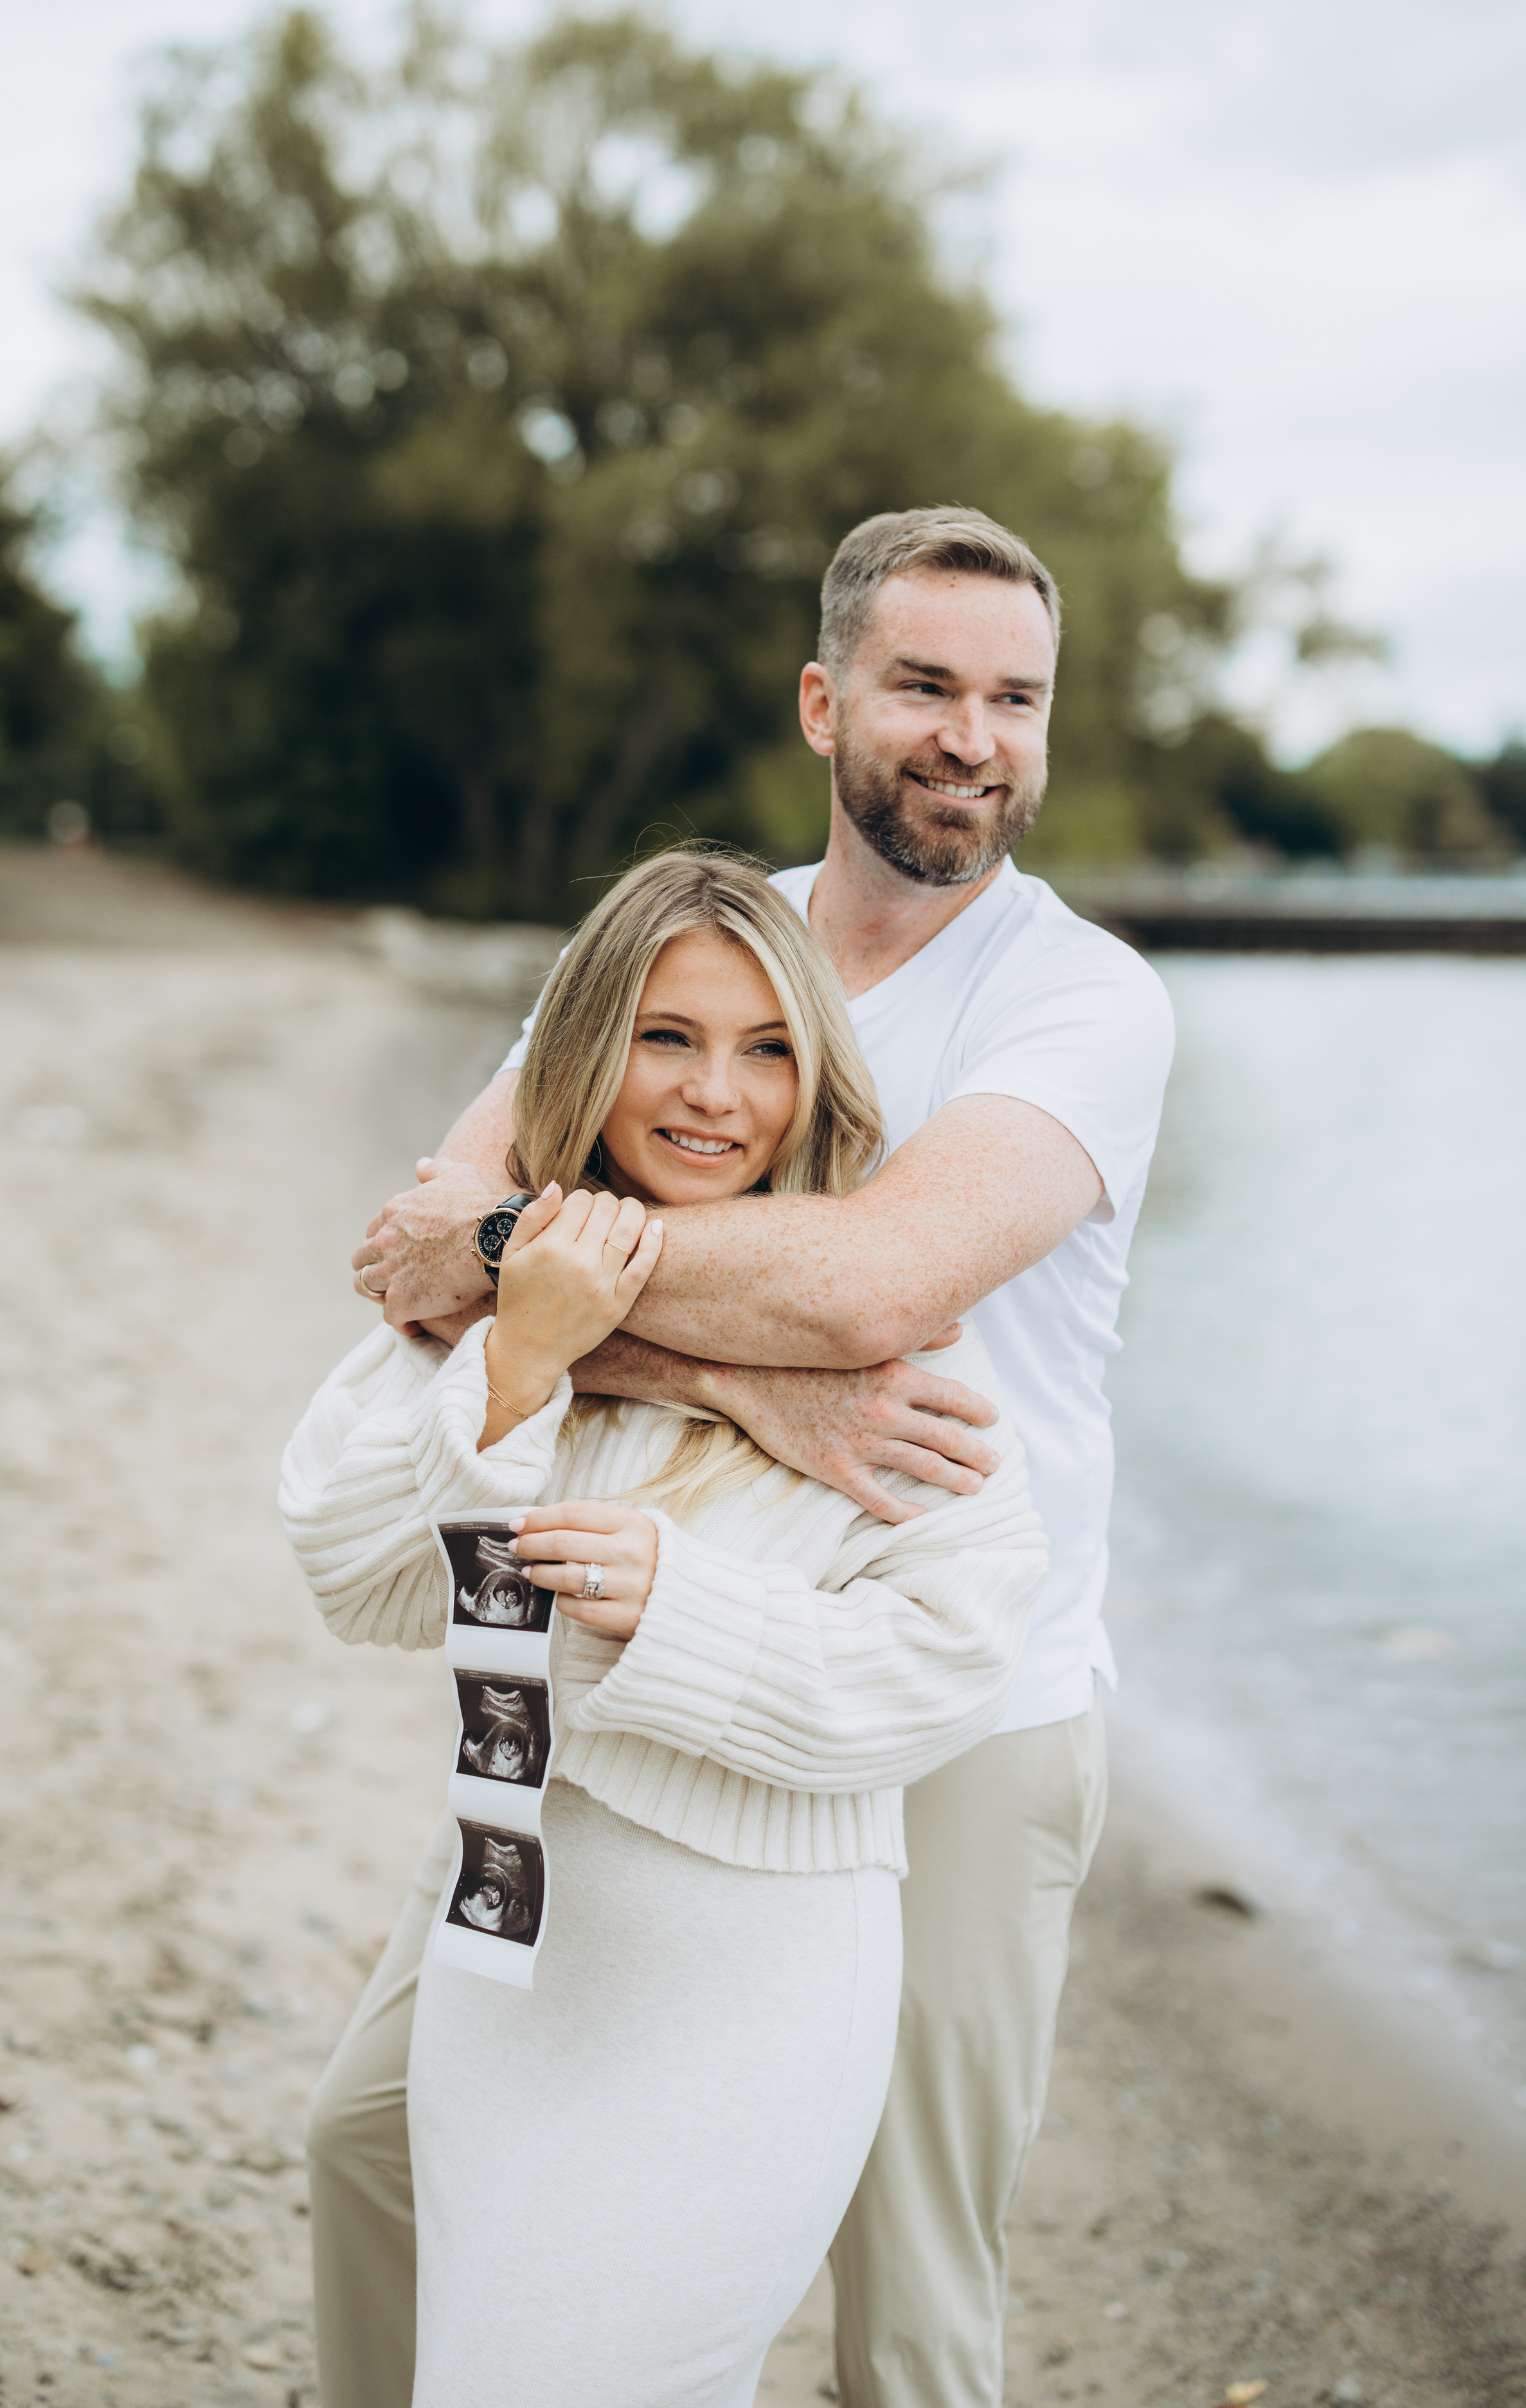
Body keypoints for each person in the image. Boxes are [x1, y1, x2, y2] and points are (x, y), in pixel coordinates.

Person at [331, 506, 1176, 2408]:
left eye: (1016, 699)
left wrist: (546, 1288)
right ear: (824, 700)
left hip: (950, 1688)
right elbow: (419, 1245)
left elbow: (879, 1278)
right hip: (618, 1659)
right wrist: (735, 1383)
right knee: (374, 2145)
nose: (973, 736)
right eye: (926, 685)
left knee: (907, 2304)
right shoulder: (681, 951)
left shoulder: (1081, 998)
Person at [281, 849, 1050, 2408]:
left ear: (815, 1074)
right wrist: (518, 1374)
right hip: (505, 1981)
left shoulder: (875, 1364)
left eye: (767, 1048)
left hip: (747, 2009)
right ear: (584, 1051)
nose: (717, 1095)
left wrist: (683, 1616)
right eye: (667, 1037)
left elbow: (947, 1664)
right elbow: (355, 1575)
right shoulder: (501, 1316)